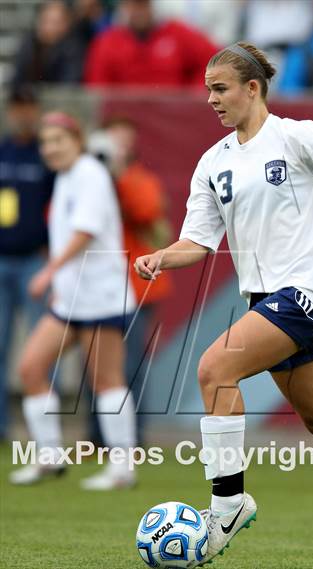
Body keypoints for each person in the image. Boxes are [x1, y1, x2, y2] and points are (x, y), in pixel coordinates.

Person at [134, 42, 313, 568]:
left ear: (252, 89)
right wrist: (162, 258)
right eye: (208, 90)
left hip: (307, 295)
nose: (211, 100)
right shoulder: (212, 163)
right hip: (265, 302)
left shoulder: (297, 137)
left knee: (215, 369)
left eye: (220, 89)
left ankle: (228, 503)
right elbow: (198, 241)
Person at [9, 112, 137, 490]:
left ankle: (123, 468)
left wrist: (48, 271)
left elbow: (85, 231)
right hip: (71, 300)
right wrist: (60, 280)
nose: (51, 148)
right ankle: (49, 457)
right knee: (31, 368)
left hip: (102, 296)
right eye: (46, 143)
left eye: (58, 141)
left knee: (105, 380)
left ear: (77, 141)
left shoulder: (90, 175)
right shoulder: (65, 177)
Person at [88, 117, 173, 444]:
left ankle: (132, 437)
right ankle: (96, 437)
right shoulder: (88, 180)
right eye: (113, 142)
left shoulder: (140, 179)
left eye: (125, 142)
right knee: (96, 365)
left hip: (137, 288)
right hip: (98, 286)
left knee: (132, 365)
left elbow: (147, 211)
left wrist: (118, 177)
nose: (118, 149)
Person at [0, 86, 54, 441]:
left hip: (35, 262)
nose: (22, 114)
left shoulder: (46, 155)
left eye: (28, 107)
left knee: (42, 350)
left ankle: (44, 436)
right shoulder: (2, 151)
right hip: (2, 260)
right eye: (17, 108)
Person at [84, 0, 218, 87]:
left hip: (175, 117)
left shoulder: (178, 33)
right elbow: (98, 87)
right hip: (126, 120)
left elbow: (213, 61)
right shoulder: (107, 42)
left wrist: (191, 98)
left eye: (143, 5)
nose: (139, 11)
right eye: (132, 5)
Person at [12, 0, 86, 86]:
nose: (49, 27)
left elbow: (69, 85)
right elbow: (17, 81)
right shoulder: (30, 45)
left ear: (67, 23)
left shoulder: (74, 49)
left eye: (55, 22)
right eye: (45, 20)